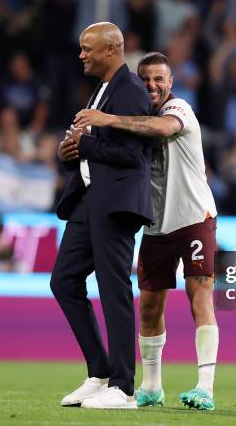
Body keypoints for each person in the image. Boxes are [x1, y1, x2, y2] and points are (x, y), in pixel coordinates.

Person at [75, 51, 219, 411]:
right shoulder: (134, 121)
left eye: (159, 79)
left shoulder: (179, 109)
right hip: (155, 225)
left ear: (170, 83)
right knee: (150, 306)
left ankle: (206, 387)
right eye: (146, 79)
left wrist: (107, 118)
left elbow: (162, 129)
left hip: (194, 218)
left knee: (199, 294)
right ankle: (152, 387)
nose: (153, 85)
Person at [50, 22, 153, 410]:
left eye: (87, 49)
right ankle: (100, 371)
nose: (81, 55)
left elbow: (133, 154)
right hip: (88, 200)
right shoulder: (102, 90)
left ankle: (124, 387)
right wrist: (70, 153)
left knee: (114, 290)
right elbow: (93, 147)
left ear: (112, 49)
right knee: (64, 280)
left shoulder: (130, 91)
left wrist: (86, 143)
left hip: (115, 202)